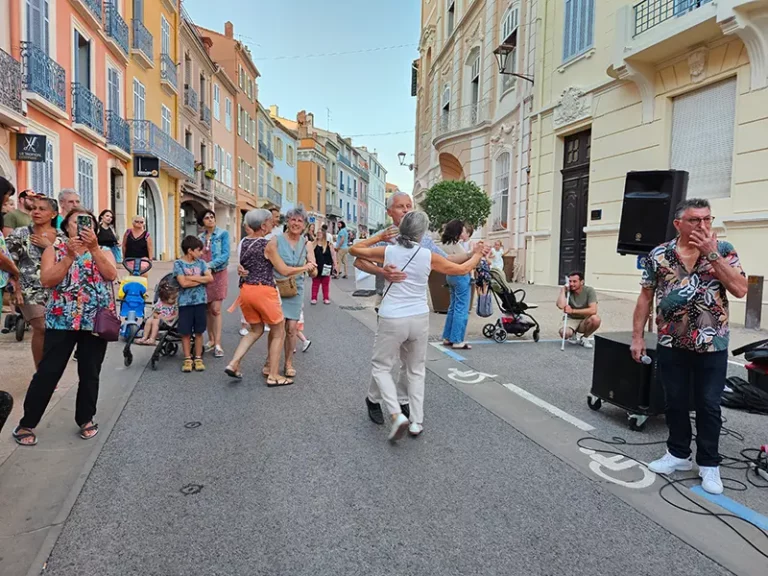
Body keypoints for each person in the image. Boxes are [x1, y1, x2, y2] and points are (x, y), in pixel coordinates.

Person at [632, 198, 747, 495]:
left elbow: (739, 288)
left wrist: (712, 255)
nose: (703, 225)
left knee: (709, 404)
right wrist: (637, 337)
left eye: (707, 219)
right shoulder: (659, 254)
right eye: (695, 220)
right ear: (678, 224)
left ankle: (709, 464)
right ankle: (678, 454)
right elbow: (645, 297)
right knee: (675, 401)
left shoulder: (724, 250)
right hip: (672, 341)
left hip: (713, 343)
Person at [350, 211, 483, 441]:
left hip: (392, 317)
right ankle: (416, 421)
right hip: (419, 318)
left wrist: (377, 237)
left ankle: (395, 412)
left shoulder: (388, 251)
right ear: (422, 233)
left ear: (402, 230)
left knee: (382, 366)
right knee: (415, 369)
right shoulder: (427, 255)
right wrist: (479, 254)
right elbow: (460, 269)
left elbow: (354, 250)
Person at [11, 208, 117, 446]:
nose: (82, 226)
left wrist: (94, 249)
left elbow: (110, 275)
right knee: (48, 371)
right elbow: (47, 280)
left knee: (90, 372)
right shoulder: (54, 250)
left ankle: (86, 419)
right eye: (77, 222)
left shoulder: (104, 251)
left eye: (88, 222)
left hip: (94, 320)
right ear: (66, 226)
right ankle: (27, 423)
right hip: (62, 319)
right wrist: (69, 256)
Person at [224, 209, 315, 385]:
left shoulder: (244, 242)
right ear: (263, 225)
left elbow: (243, 267)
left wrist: (243, 271)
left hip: (246, 290)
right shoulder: (269, 244)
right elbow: (284, 270)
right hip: (265, 291)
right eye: (270, 221)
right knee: (279, 331)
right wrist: (305, 268)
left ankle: (233, 363)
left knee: (255, 330)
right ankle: (273, 374)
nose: (273, 223)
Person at [6, 196, 61, 368]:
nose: (36, 212)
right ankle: (41, 372)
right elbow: (8, 260)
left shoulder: (61, 237)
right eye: (33, 208)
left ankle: (50, 371)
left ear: (53, 214)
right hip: (28, 287)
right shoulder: (21, 233)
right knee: (42, 327)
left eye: (42, 209)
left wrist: (49, 246)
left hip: (55, 287)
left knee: (54, 331)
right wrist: (14, 286)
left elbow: (68, 261)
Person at [272, 206, 317, 380]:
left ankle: (288, 362)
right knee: (278, 328)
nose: (296, 223)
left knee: (291, 328)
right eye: (293, 219)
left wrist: (312, 270)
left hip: (296, 289)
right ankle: (271, 361)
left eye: (300, 220)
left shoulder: (307, 244)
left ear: (304, 224)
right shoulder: (276, 240)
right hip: (277, 288)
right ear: (287, 221)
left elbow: (312, 266)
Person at [174, 236, 212, 373]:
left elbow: (210, 278)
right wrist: (201, 280)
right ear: (190, 251)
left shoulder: (201, 263)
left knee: (199, 331)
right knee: (185, 332)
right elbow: (183, 283)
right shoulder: (178, 264)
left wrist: (191, 278)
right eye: (198, 250)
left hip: (200, 301)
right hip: (185, 303)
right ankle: (187, 358)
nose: (201, 253)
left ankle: (198, 357)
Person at [199, 210, 231, 358]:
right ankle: (211, 339)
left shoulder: (223, 234)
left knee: (216, 309)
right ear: (202, 221)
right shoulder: (200, 238)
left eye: (212, 216)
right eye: (207, 218)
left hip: (218, 274)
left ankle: (218, 343)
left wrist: (210, 265)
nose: (210, 219)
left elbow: (225, 255)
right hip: (204, 275)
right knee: (206, 309)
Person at [440, 219, 473, 350]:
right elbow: (463, 260)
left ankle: (448, 336)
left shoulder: (445, 244)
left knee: (453, 306)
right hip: (460, 276)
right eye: (463, 229)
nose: (464, 232)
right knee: (461, 307)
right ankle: (457, 339)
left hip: (450, 276)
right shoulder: (456, 246)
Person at [556, 271, 601, 348]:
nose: (571, 284)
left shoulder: (589, 291)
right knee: (564, 333)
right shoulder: (568, 290)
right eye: (570, 281)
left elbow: (593, 310)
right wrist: (563, 290)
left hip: (585, 320)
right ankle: (572, 333)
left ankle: (584, 337)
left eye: (574, 281)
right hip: (571, 319)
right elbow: (560, 305)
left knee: (596, 319)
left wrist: (572, 311)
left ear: (582, 282)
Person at [136, 279, 178, 346]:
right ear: (164, 299)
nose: (174, 300)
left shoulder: (174, 305)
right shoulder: (160, 303)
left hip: (168, 322)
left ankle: (152, 339)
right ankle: (145, 337)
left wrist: (167, 318)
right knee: (149, 320)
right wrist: (157, 316)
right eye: (172, 299)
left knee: (155, 321)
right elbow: (155, 312)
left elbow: (176, 315)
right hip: (159, 319)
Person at [311, 226, 334, 304]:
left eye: (320, 233)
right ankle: (314, 298)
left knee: (325, 284)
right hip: (316, 267)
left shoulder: (328, 244)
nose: (318, 234)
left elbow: (333, 255)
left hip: (326, 266)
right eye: (317, 233)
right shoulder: (313, 244)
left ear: (324, 234)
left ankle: (326, 298)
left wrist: (336, 265)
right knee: (315, 283)